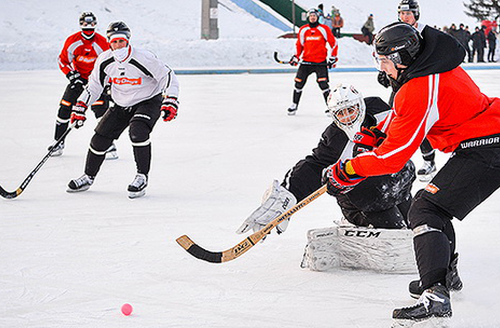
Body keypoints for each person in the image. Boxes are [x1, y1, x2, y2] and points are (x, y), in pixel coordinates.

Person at [323, 21, 500, 324]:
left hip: (487, 150)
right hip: (486, 140)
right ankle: (444, 274)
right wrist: (378, 132)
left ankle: (435, 294)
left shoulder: (419, 88)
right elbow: (407, 116)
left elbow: (392, 158)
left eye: (383, 60)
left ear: (401, 57)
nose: (382, 68)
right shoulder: (434, 64)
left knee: (425, 208)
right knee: (432, 205)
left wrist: (348, 170)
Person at [237, 84, 417, 268]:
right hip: (365, 201)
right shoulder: (334, 139)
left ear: (360, 105)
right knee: (399, 238)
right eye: (340, 113)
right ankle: (353, 221)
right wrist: (288, 193)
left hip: (397, 187)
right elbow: (313, 165)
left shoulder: (379, 109)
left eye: (350, 110)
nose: (347, 117)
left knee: (415, 229)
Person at [67, 21, 180, 199]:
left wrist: (171, 100)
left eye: (122, 41)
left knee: (138, 131)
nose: (118, 45)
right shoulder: (104, 60)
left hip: (148, 101)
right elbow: (94, 87)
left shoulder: (143, 57)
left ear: (128, 41)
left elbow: (167, 76)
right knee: (99, 139)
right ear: (109, 42)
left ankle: (141, 176)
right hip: (121, 104)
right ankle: (88, 176)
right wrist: (80, 106)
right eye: (114, 41)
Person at [378, 0, 437, 181]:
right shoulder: (394, 30)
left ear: (416, 15)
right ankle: (392, 158)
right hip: (400, 84)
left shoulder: (426, 32)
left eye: (408, 14)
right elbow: (384, 54)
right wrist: (384, 73)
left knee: (419, 123)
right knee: (392, 118)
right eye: (402, 14)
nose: (405, 17)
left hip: (419, 86)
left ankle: (429, 160)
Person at [50, 12, 117, 159]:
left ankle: (109, 145)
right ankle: (58, 143)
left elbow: (110, 64)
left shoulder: (101, 43)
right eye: (85, 24)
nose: (88, 27)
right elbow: (63, 61)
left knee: (102, 112)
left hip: (96, 82)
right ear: (80, 24)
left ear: (95, 24)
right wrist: (71, 75)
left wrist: (108, 83)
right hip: (78, 81)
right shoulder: (72, 41)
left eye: (91, 24)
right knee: (65, 108)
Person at [287, 8, 337, 116]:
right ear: (308, 18)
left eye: (314, 16)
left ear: (317, 17)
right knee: (298, 83)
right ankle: (294, 105)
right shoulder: (303, 30)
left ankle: (330, 108)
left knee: (323, 84)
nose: (313, 17)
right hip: (306, 62)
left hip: (320, 62)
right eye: (311, 16)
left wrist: (333, 57)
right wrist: (296, 57)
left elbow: (334, 43)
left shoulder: (324, 29)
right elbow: (299, 45)